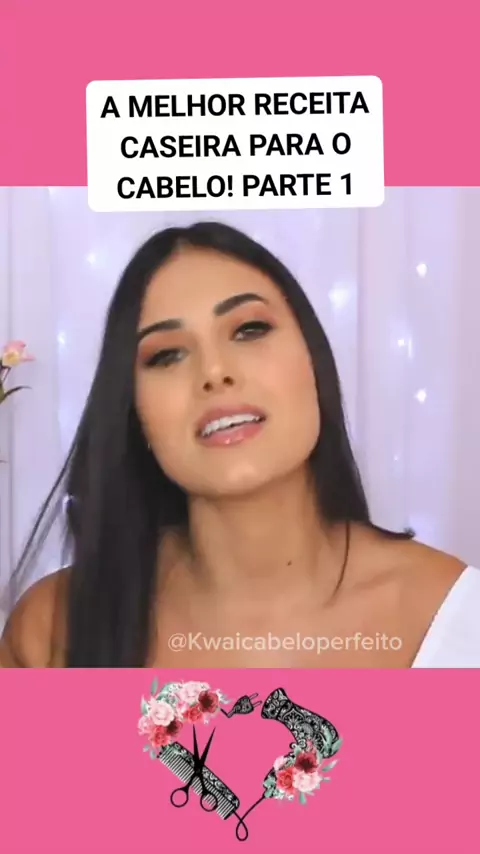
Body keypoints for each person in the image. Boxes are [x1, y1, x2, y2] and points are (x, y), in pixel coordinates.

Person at [0, 221, 479, 668]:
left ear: (314, 362)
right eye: (166, 355)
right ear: (134, 413)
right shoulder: (51, 631)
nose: (214, 372)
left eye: (250, 330)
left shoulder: (452, 619)